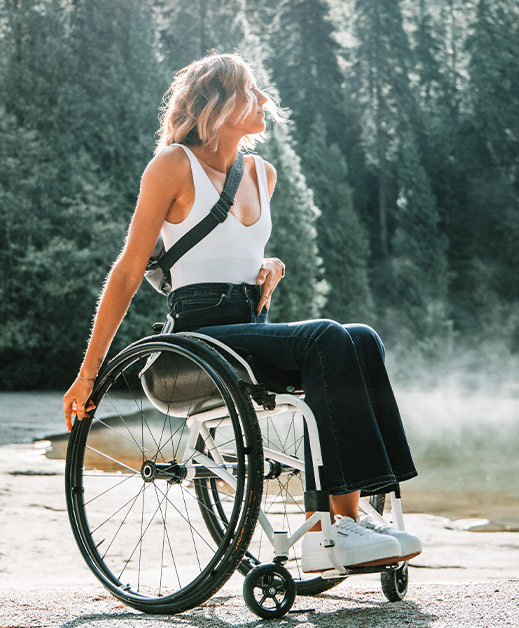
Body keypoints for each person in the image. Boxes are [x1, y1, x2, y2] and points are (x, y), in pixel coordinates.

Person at [63, 52, 421, 574]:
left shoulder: (263, 174)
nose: (264, 102)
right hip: (193, 342)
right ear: (221, 102)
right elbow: (126, 272)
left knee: (360, 338)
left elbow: (234, 249)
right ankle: (336, 528)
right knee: (325, 336)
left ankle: (347, 517)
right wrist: (87, 373)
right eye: (252, 91)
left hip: (246, 327)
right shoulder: (172, 166)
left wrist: (266, 264)